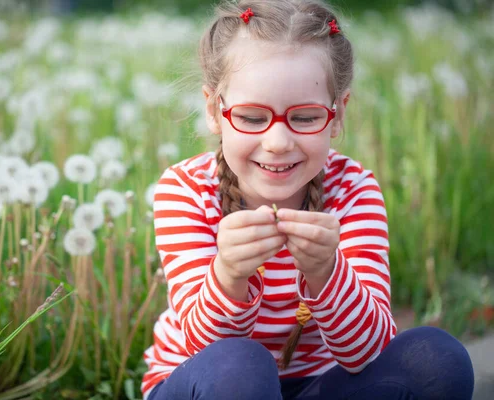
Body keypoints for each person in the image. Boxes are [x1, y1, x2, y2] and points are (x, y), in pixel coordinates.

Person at [141, 1, 474, 399]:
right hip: (208, 382)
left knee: (439, 360)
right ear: (214, 110)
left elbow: (365, 354)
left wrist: (327, 271)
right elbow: (203, 346)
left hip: (319, 385)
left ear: (336, 115)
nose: (278, 143)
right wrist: (228, 274)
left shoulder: (353, 190)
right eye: (250, 117)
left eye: (304, 118)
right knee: (241, 367)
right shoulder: (185, 190)